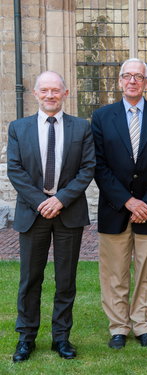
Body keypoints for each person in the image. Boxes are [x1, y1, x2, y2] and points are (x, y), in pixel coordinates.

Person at [7, 71, 95, 362]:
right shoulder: (18, 128)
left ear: (65, 93)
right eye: (44, 90)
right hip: (32, 214)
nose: (50, 95)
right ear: (35, 94)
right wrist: (40, 203)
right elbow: (15, 170)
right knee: (30, 278)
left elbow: (87, 169)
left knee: (65, 279)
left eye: (55, 90)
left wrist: (59, 200)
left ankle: (61, 338)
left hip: (68, 212)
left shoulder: (81, 128)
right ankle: (26, 338)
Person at [91, 58, 147, 350]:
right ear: (119, 81)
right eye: (127, 76)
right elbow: (98, 166)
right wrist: (127, 201)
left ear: (146, 83)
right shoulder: (102, 117)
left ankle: (141, 325)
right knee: (115, 272)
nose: (132, 81)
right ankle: (118, 327)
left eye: (138, 77)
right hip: (115, 208)